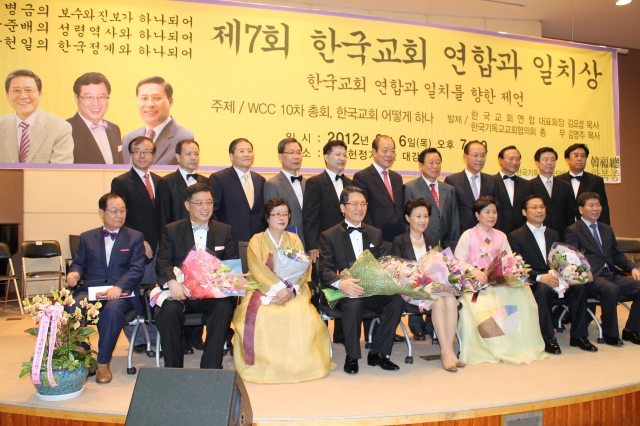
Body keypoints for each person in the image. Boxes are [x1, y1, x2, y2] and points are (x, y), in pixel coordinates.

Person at [233, 198, 335, 383]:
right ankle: (266, 365)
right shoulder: (257, 240)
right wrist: (277, 289)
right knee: (263, 315)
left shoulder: (294, 239)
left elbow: (303, 269)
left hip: (294, 289)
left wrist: (290, 290)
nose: (282, 218)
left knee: (300, 311)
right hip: (263, 288)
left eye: (285, 214)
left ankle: (301, 365)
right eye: (277, 214)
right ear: (267, 217)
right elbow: (257, 269)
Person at [318, 186, 405, 374]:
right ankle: (352, 356)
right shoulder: (329, 235)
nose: (360, 208)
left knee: (396, 301)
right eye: (355, 204)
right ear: (343, 207)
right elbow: (324, 270)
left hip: (370, 290)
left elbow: (383, 264)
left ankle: (378, 353)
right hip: (342, 292)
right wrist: (341, 283)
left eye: (363, 204)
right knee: (354, 304)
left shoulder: (375, 233)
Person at [454, 196, 547, 365]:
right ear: (477, 215)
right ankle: (490, 344)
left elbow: (508, 260)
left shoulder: (501, 236)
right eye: (487, 212)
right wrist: (473, 270)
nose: (491, 216)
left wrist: (509, 272)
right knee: (483, 302)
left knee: (522, 293)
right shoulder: (468, 235)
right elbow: (457, 261)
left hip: (497, 281)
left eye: (494, 212)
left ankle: (512, 342)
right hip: (475, 282)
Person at [66, 193, 145, 383]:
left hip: (121, 293)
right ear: (101, 212)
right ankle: (83, 355)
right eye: (114, 211)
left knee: (112, 311)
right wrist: (73, 273)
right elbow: (79, 263)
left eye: (122, 211)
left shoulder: (135, 237)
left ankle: (103, 363)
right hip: (91, 290)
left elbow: (137, 269)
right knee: (72, 306)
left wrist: (119, 286)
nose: (119, 215)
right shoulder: (87, 237)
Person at [155, 183, 236, 368]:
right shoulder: (172, 230)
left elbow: (230, 265)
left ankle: (211, 367)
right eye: (199, 203)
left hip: (211, 295)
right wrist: (171, 281)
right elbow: (163, 262)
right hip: (181, 293)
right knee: (168, 310)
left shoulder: (224, 230)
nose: (205, 207)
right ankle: (173, 369)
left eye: (209, 202)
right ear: (187, 205)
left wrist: (222, 282)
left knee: (224, 307)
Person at [508, 195, 597, 354]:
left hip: (557, 278)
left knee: (579, 288)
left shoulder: (554, 234)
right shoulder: (515, 236)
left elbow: (561, 260)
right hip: (534, 281)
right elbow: (517, 266)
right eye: (534, 207)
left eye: (542, 207)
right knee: (543, 290)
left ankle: (579, 336)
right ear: (524, 212)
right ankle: (548, 338)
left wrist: (568, 275)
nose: (539, 211)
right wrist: (540, 277)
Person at [392, 198, 463, 371]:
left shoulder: (431, 240)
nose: (422, 220)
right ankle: (446, 352)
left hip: (433, 288)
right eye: (418, 216)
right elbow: (398, 273)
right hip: (411, 289)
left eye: (425, 216)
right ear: (408, 218)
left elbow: (440, 268)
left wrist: (444, 283)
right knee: (438, 302)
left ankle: (449, 350)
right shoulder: (399, 241)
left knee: (451, 299)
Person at [564, 192, 640, 346]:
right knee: (611, 289)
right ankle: (610, 333)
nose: (596, 208)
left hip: (610, 273)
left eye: (598, 205)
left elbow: (616, 255)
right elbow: (571, 259)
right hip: (591, 277)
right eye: (591, 205)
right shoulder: (573, 230)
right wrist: (584, 274)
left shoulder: (606, 229)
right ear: (581, 209)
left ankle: (631, 330)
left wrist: (633, 268)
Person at [155, 139, 208, 353]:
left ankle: (196, 337)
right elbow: (162, 215)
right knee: (180, 290)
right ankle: (182, 340)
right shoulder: (166, 182)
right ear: (177, 157)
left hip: (201, 244)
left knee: (200, 287)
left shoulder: (205, 181)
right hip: (176, 244)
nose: (193, 158)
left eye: (196, 154)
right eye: (188, 154)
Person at [111, 136, 160, 285]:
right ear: (131, 154)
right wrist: (139, 240)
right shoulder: (121, 182)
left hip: (160, 246)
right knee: (138, 287)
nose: (142, 155)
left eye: (146, 151)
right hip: (136, 246)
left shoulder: (160, 181)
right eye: (137, 151)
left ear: (152, 155)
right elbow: (118, 217)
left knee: (158, 289)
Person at [0, 69, 73, 163]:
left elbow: (60, 170)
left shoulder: (60, 128)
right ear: (7, 95)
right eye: (16, 90)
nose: (23, 96)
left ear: (40, 94)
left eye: (29, 90)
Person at [210, 138, 266, 253]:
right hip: (231, 241)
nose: (247, 154)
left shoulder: (260, 180)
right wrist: (221, 237)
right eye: (241, 151)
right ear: (231, 156)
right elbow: (213, 212)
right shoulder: (219, 179)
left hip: (257, 242)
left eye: (249, 151)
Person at [121, 76, 194, 165]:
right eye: (144, 98)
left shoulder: (185, 138)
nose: (149, 104)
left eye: (156, 98)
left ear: (170, 102)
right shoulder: (128, 139)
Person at [302, 139, 353, 262]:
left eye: (344, 155)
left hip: (349, 241)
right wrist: (312, 245)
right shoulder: (315, 182)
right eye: (338, 154)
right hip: (324, 243)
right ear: (326, 157)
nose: (342, 158)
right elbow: (310, 217)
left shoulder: (350, 183)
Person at [404, 148, 460, 249]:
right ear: (421, 165)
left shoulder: (449, 189)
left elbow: (454, 221)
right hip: (421, 245)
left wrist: (453, 245)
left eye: (438, 162)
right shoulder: (410, 188)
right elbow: (407, 221)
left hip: (445, 246)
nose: (435, 166)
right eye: (431, 162)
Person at [353, 135, 404, 242]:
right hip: (376, 237)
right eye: (385, 150)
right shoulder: (362, 177)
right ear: (374, 152)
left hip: (399, 237)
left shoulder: (397, 178)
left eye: (392, 151)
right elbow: (362, 209)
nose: (389, 154)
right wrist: (371, 234)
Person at [68, 72, 123, 164]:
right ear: (77, 98)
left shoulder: (114, 129)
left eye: (101, 97)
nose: (96, 103)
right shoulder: (66, 130)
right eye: (89, 97)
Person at [444, 140, 497, 235]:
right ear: (465, 157)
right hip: (462, 233)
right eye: (475, 155)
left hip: (487, 234)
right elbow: (449, 212)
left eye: (483, 155)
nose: (479, 159)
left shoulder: (492, 181)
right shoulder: (452, 180)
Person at [264, 138, 306, 245]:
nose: (296, 156)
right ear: (280, 156)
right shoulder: (272, 184)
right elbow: (271, 218)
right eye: (291, 153)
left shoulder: (308, 183)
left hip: (309, 242)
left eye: (299, 153)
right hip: (286, 243)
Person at [556, 143, 610, 225]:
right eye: (575, 155)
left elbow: (603, 208)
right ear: (567, 160)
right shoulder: (558, 181)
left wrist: (605, 229)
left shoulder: (596, 181)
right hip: (563, 226)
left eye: (583, 156)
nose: (579, 159)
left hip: (588, 226)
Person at [529, 147, 575, 237]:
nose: (549, 163)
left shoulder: (565, 186)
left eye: (552, 160)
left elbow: (570, 213)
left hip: (561, 234)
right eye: (546, 159)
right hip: (537, 233)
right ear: (537, 163)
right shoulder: (530, 185)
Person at [494, 145, 532, 235]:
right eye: (511, 158)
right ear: (500, 160)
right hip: (497, 230)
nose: (515, 162)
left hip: (521, 233)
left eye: (518, 159)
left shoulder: (527, 184)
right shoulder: (491, 182)